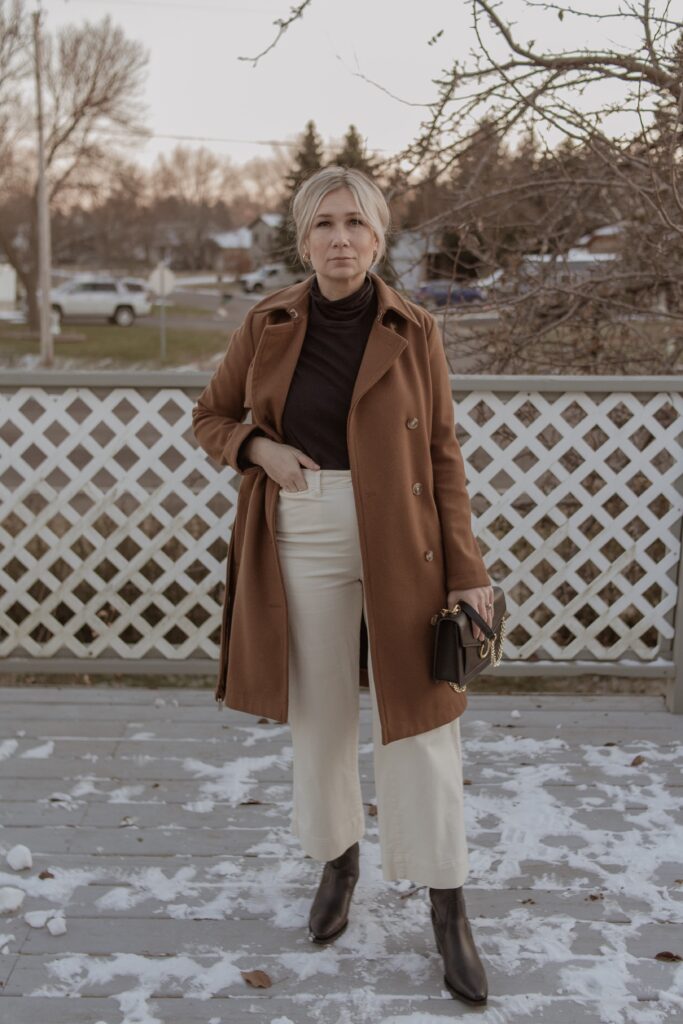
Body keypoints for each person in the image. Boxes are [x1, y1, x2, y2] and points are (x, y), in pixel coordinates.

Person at [191, 166, 493, 1006]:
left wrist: (467, 570)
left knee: (421, 719)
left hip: (401, 534)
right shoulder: (270, 320)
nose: (339, 239)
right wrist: (257, 450)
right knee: (319, 712)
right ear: (302, 236)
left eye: (355, 223)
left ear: (378, 236)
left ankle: (446, 901)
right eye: (323, 223)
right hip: (305, 524)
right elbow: (209, 416)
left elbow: (441, 456)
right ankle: (337, 858)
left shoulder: (415, 327)